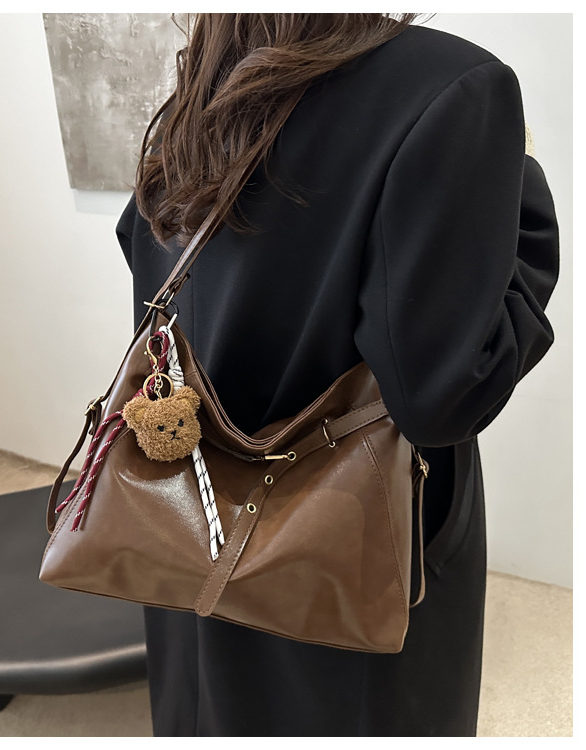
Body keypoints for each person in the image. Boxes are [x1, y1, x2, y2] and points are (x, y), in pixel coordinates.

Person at [115, 13, 559, 737]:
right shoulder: (455, 85)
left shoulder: (207, 77)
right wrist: (525, 194)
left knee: (211, 705)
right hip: (354, 533)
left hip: (189, 506)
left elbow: (147, 261)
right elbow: (443, 394)